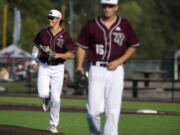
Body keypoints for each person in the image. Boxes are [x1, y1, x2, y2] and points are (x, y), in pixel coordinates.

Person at [76, 0, 140, 135]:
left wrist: (119, 61)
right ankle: (96, 133)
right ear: (101, 6)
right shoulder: (91, 25)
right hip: (96, 69)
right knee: (92, 110)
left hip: (116, 70)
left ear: (116, 7)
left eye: (110, 6)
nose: (107, 8)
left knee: (113, 109)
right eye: (105, 5)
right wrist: (79, 65)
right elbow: (82, 46)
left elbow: (133, 45)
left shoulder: (124, 25)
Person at [31, 9, 75, 133]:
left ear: (59, 20)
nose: (50, 20)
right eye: (49, 18)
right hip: (44, 66)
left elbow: (71, 54)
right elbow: (35, 46)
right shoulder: (42, 33)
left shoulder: (65, 36)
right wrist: (33, 61)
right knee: (42, 93)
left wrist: (58, 55)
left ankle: (53, 124)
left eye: (52, 18)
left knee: (57, 99)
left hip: (58, 68)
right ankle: (46, 97)